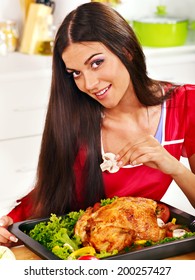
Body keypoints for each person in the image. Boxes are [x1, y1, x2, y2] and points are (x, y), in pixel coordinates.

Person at [0, 1, 195, 247]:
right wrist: (10, 223)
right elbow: (53, 191)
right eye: (76, 73)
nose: (89, 84)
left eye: (96, 63)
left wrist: (173, 167)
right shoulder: (79, 120)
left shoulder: (187, 104)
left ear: (126, 50)